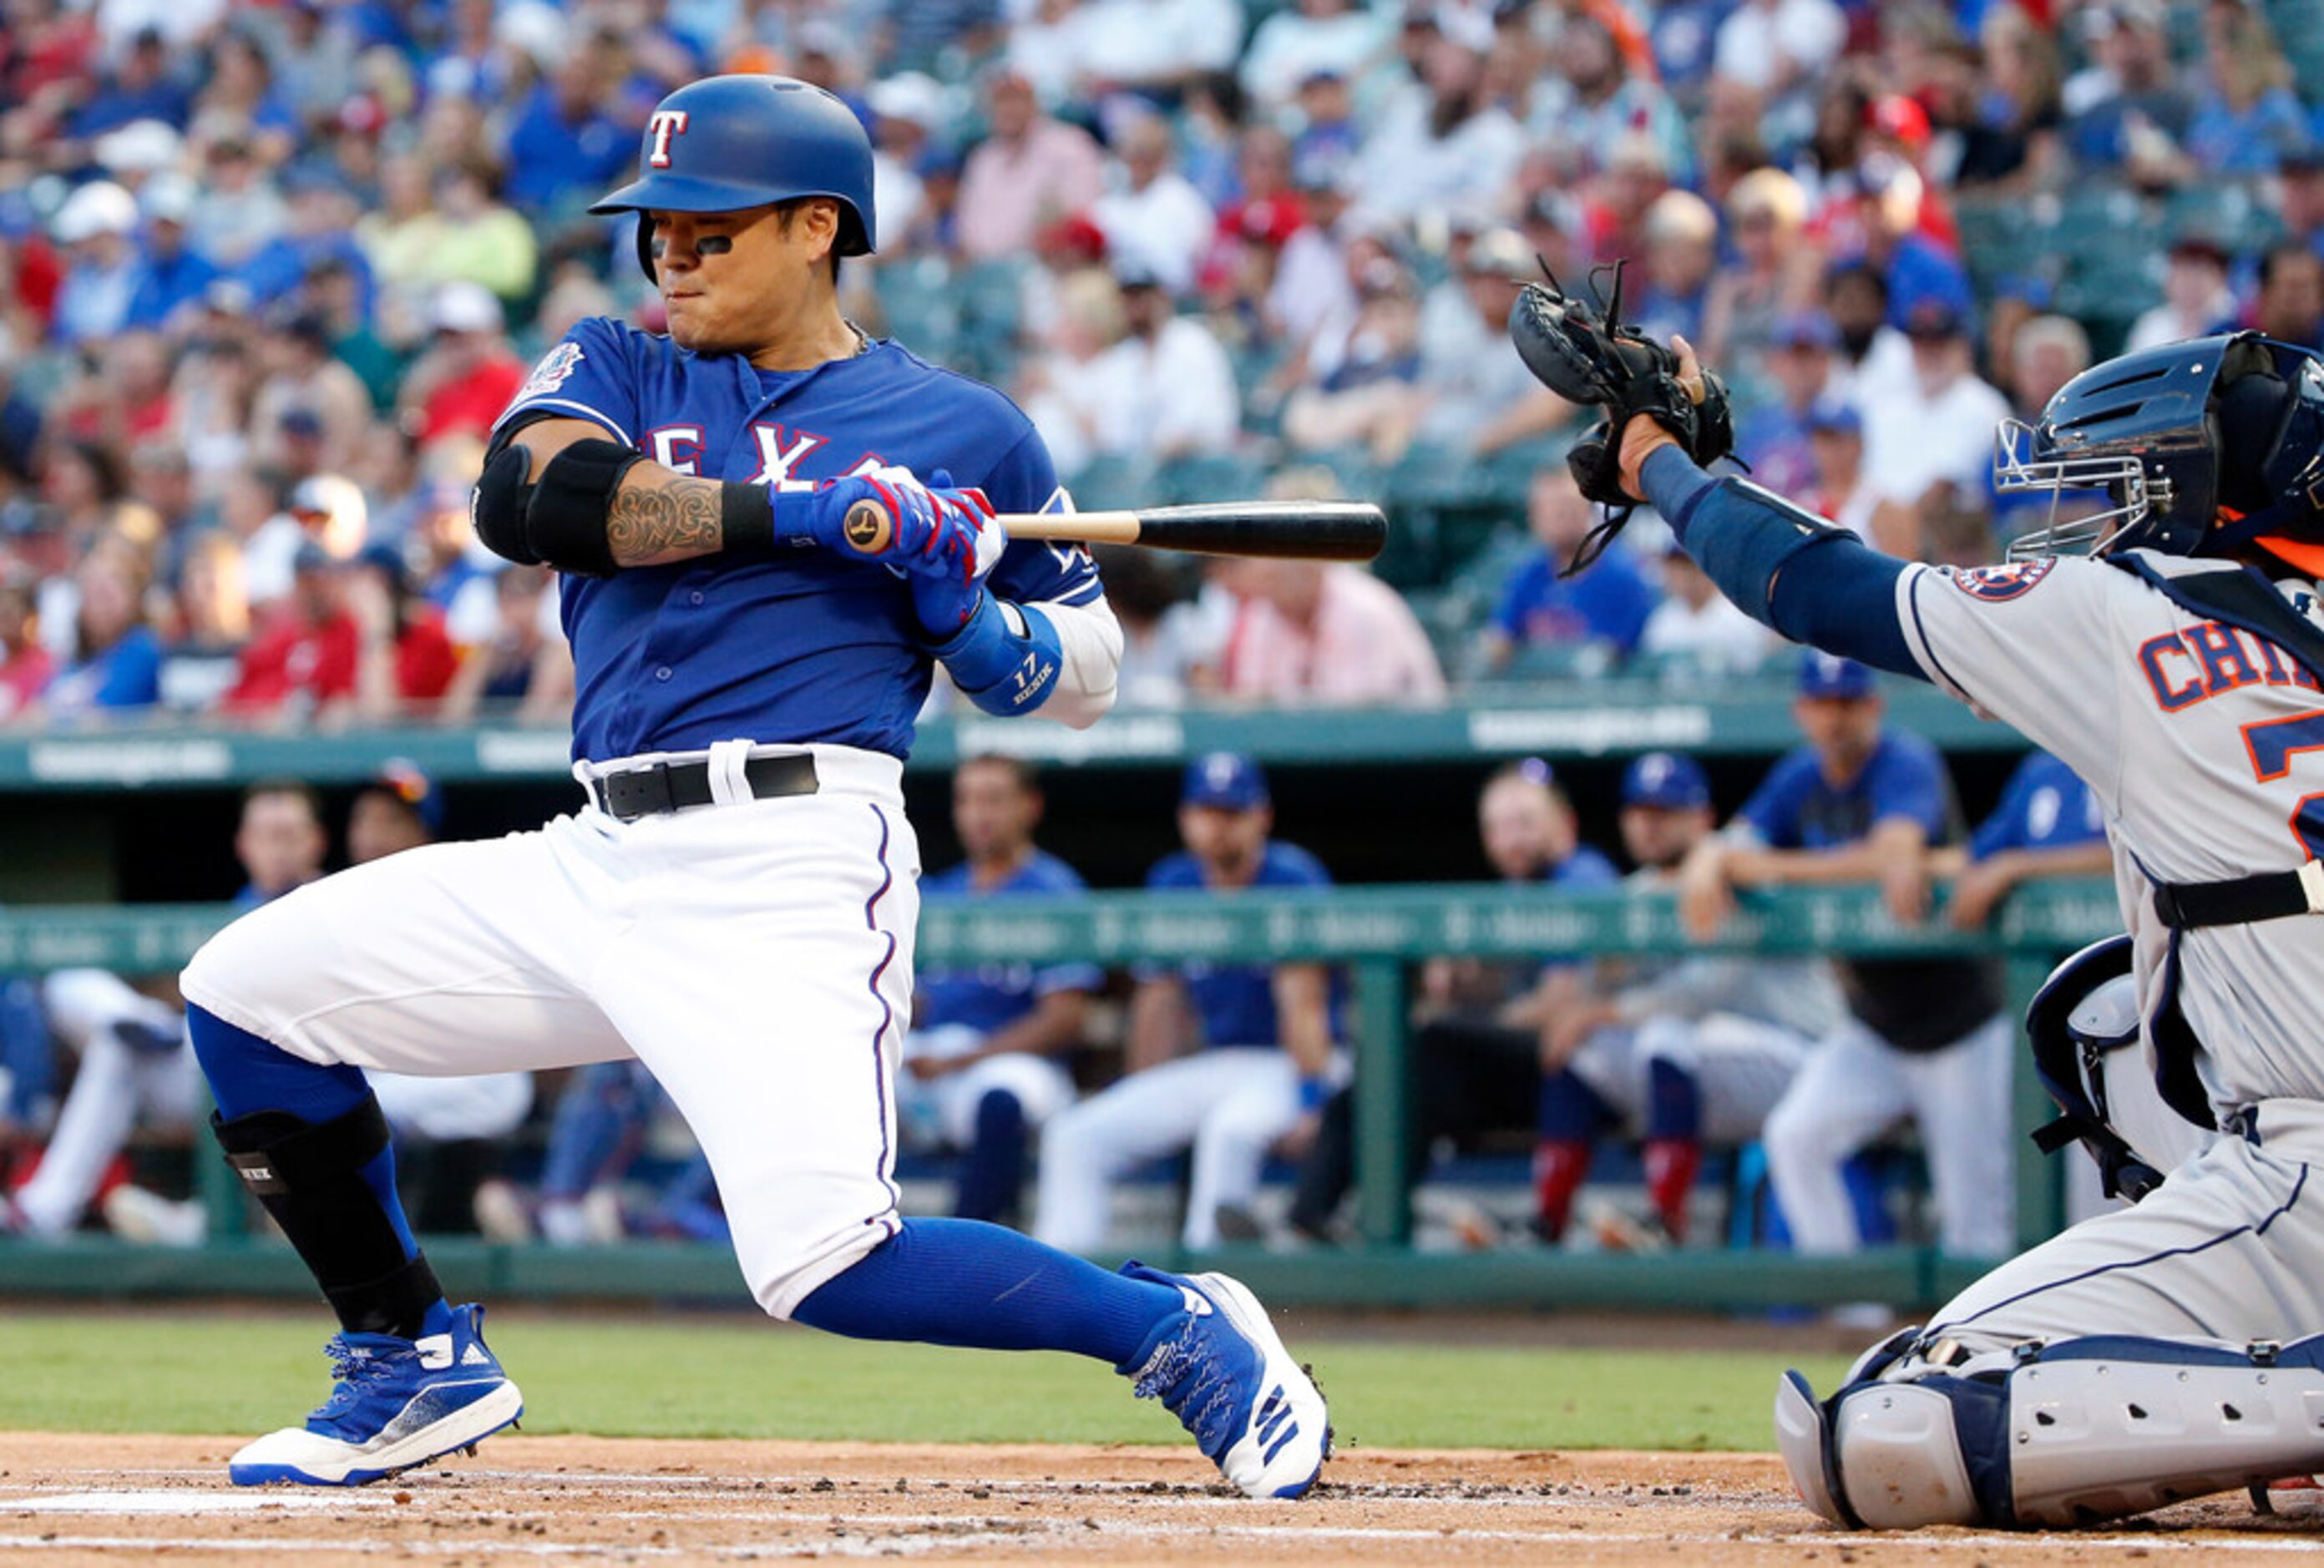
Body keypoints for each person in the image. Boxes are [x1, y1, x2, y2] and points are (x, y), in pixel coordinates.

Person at [175, 77, 1326, 1502]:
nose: (671, 252)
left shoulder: (959, 426)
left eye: (708, 229)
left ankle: (1173, 1326)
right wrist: (820, 513)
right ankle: (410, 1356)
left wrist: (955, 605)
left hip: (791, 856)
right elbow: (532, 504)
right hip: (592, 852)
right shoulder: (621, 362)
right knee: (245, 992)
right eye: (657, 227)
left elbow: (1077, 671)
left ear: (815, 227)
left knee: (823, 1260)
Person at [1537, 294, 2324, 1525]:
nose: (2098, 503)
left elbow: (1819, 587)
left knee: (1885, 1427)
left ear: (2204, 490)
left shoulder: (2128, 609)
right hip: (2277, 1147)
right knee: (2102, 1011)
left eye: (2126, 475)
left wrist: (1663, 465)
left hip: (2304, 1172)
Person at [1681, 653, 2013, 1267]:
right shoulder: (1798, 776)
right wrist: (1711, 857)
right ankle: (1851, 1309)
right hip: (1875, 1026)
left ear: (1873, 706)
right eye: (1823, 704)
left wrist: (1767, 868)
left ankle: (1981, 1351)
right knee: (1795, 1136)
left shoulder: (1905, 759)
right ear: (1801, 711)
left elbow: (1887, 857)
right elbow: (1735, 840)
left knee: (1974, 1217)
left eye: (1848, 703)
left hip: (1958, 1022)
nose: (1835, 719)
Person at [1285, 758, 1618, 1245]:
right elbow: (1506, 991)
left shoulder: (1582, 876)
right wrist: (1463, 978)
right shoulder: (1516, 891)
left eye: (1525, 823)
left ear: (1564, 824)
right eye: (1498, 828)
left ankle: (1360, 1219)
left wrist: (1466, 1017)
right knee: (1389, 1070)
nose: (1511, 839)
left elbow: (1561, 1003)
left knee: (1428, 1046)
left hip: (1581, 1073)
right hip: (1508, 1075)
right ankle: (1315, 1216)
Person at [1035, 754, 1340, 1253]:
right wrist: (1138, 1097)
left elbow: (1303, 1006)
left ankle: (1209, 1291)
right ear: (1186, 818)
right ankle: (1063, 1286)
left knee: (1231, 1133)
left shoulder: (1292, 877)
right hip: (1217, 1065)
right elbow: (1159, 999)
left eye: (1232, 813)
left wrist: (1313, 1103)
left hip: (1293, 1065)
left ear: (1261, 816)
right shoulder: (1174, 881)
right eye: (1207, 812)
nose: (1217, 827)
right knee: (1075, 1137)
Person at [900, 755, 1100, 1227]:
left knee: (1001, 1099)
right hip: (936, 1059)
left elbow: (1065, 1020)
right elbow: (920, 1003)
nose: (978, 814)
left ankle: (966, 1243)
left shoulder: (1055, 890)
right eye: (967, 800)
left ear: (1029, 807)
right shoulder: (940, 891)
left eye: (994, 800)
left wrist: (961, 1062)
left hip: (1016, 1066)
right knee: (843, 1079)